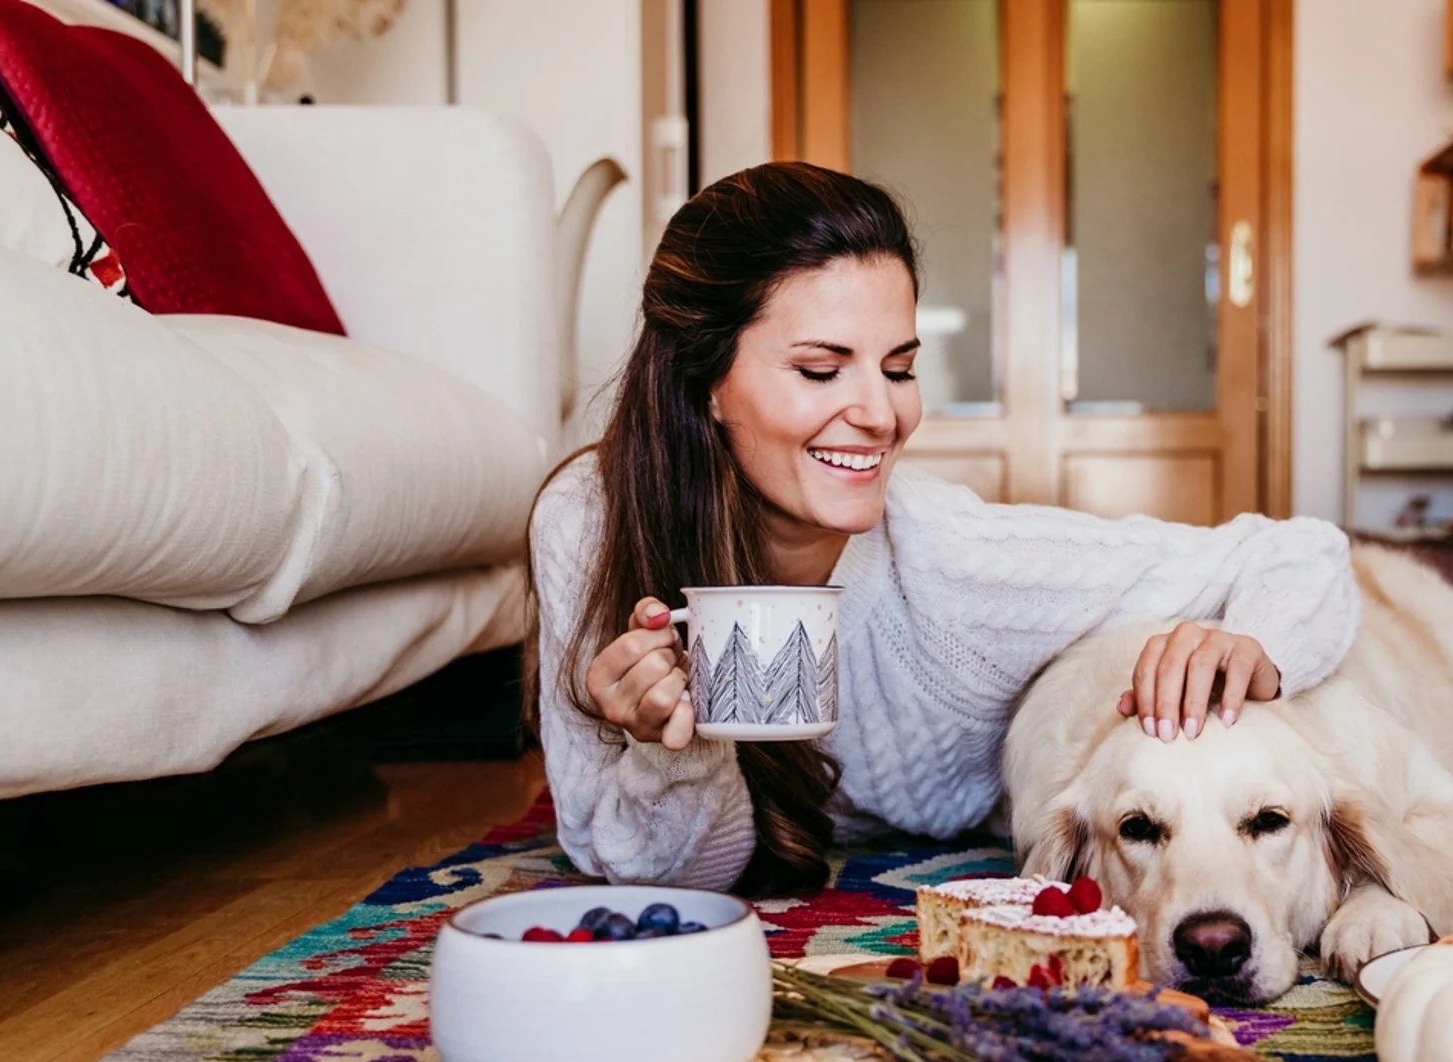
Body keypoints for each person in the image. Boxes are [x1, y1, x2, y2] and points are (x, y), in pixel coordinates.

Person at [527, 162, 1359, 897]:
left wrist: (1250, 643)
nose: (881, 414)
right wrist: (679, 746)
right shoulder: (589, 521)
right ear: (702, 379)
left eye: (899, 368)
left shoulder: (957, 564)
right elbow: (645, 869)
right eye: (821, 370)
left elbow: (1299, 553)